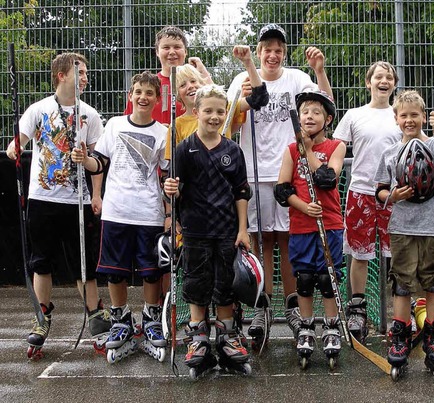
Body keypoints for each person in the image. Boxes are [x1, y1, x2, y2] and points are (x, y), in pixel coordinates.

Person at [227, 23, 333, 343]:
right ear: (258, 52)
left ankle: (291, 304)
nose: (272, 55)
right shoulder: (242, 80)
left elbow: (325, 102)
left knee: (288, 239)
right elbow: (228, 118)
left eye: (278, 50)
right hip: (254, 171)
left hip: (289, 173)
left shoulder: (297, 79)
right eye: (267, 50)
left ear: (284, 53)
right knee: (260, 241)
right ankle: (262, 304)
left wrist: (320, 70)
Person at [4, 52, 110, 357]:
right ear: (62, 75)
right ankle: (42, 316)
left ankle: (95, 315)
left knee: (84, 264)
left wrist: (88, 168)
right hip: (42, 198)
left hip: (76, 201)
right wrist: (14, 148)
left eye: (87, 73)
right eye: (81, 73)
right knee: (41, 262)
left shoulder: (90, 115)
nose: (86, 78)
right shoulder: (38, 110)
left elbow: (98, 164)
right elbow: (18, 142)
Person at [71, 71, 170, 363]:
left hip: (148, 213)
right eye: (138, 92)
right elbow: (99, 163)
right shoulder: (114, 125)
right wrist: (84, 160)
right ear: (130, 96)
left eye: (149, 93)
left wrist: (167, 212)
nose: (143, 97)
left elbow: (166, 175)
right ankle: (121, 319)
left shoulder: (163, 131)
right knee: (115, 270)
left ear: (157, 99)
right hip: (117, 211)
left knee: (150, 271)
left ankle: (151, 319)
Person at [374, 90, 434, 379]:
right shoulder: (391, 152)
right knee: (402, 284)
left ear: (423, 116)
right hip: (403, 227)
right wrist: (392, 195)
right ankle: (400, 336)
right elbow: (379, 191)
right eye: (403, 115)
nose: (409, 120)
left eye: (414, 115)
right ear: (396, 118)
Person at [163, 85, 253, 375]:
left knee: (225, 284)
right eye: (208, 111)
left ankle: (227, 338)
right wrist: (170, 189)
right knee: (196, 283)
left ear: (225, 114)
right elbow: (172, 192)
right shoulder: (184, 149)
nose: (214, 116)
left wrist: (243, 229)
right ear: (196, 112)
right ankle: (198, 339)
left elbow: (241, 192)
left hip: (227, 230)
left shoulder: (233, 150)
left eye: (219, 111)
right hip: (194, 230)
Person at [274, 89, 346, 368]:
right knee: (304, 279)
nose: (310, 116)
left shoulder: (336, 146)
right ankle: (306, 327)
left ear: (327, 119)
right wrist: (303, 207)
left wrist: (309, 150)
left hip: (329, 224)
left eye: (316, 112)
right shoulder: (291, 150)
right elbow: (282, 191)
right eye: (305, 112)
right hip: (302, 225)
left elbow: (327, 179)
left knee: (327, 279)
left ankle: (330, 328)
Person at [331, 61, 402, 342]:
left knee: (397, 253)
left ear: (394, 84)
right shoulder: (354, 115)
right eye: (378, 77)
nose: (384, 81)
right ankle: (357, 308)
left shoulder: (400, 115)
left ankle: (401, 309)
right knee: (359, 254)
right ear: (368, 82)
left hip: (396, 194)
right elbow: (336, 147)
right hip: (360, 191)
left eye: (389, 77)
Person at [124, 25, 213, 125]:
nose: (171, 52)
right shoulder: (144, 87)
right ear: (157, 52)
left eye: (177, 47)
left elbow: (224, 115)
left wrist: (204, 75)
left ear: (185, 51)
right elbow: (129, 124)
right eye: (166, 47)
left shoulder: (197, 85)